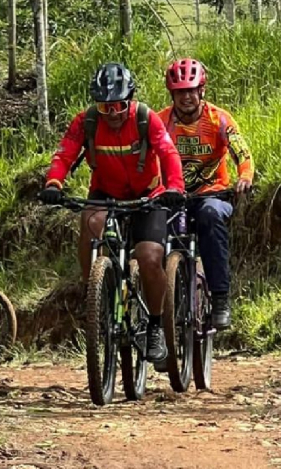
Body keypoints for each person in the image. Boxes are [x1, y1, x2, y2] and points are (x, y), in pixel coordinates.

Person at [39, 62, 185, 362]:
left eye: (119, 106)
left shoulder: (145, 118)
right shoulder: (87, 122)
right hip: (106, 194)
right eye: (105, 108)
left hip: (149, 195)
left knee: (149, 257)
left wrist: (175, 188)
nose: (113, 113)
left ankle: (155, 325)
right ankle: (93, 292)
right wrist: (54, 181)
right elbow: (65, 152)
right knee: (90, 223)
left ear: (129, 100)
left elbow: (168, 152)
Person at [158, 58, 254, 330]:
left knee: (210, 218)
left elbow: (242, 151)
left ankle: (221, 298)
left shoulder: (219, 119)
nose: (186, 97)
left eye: (191, 90)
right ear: (172, 94)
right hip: (173, 195)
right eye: (180, 92)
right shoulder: (161, 121)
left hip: (213, 194)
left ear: (202, 90)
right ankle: (156, 317)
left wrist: (245, 176)